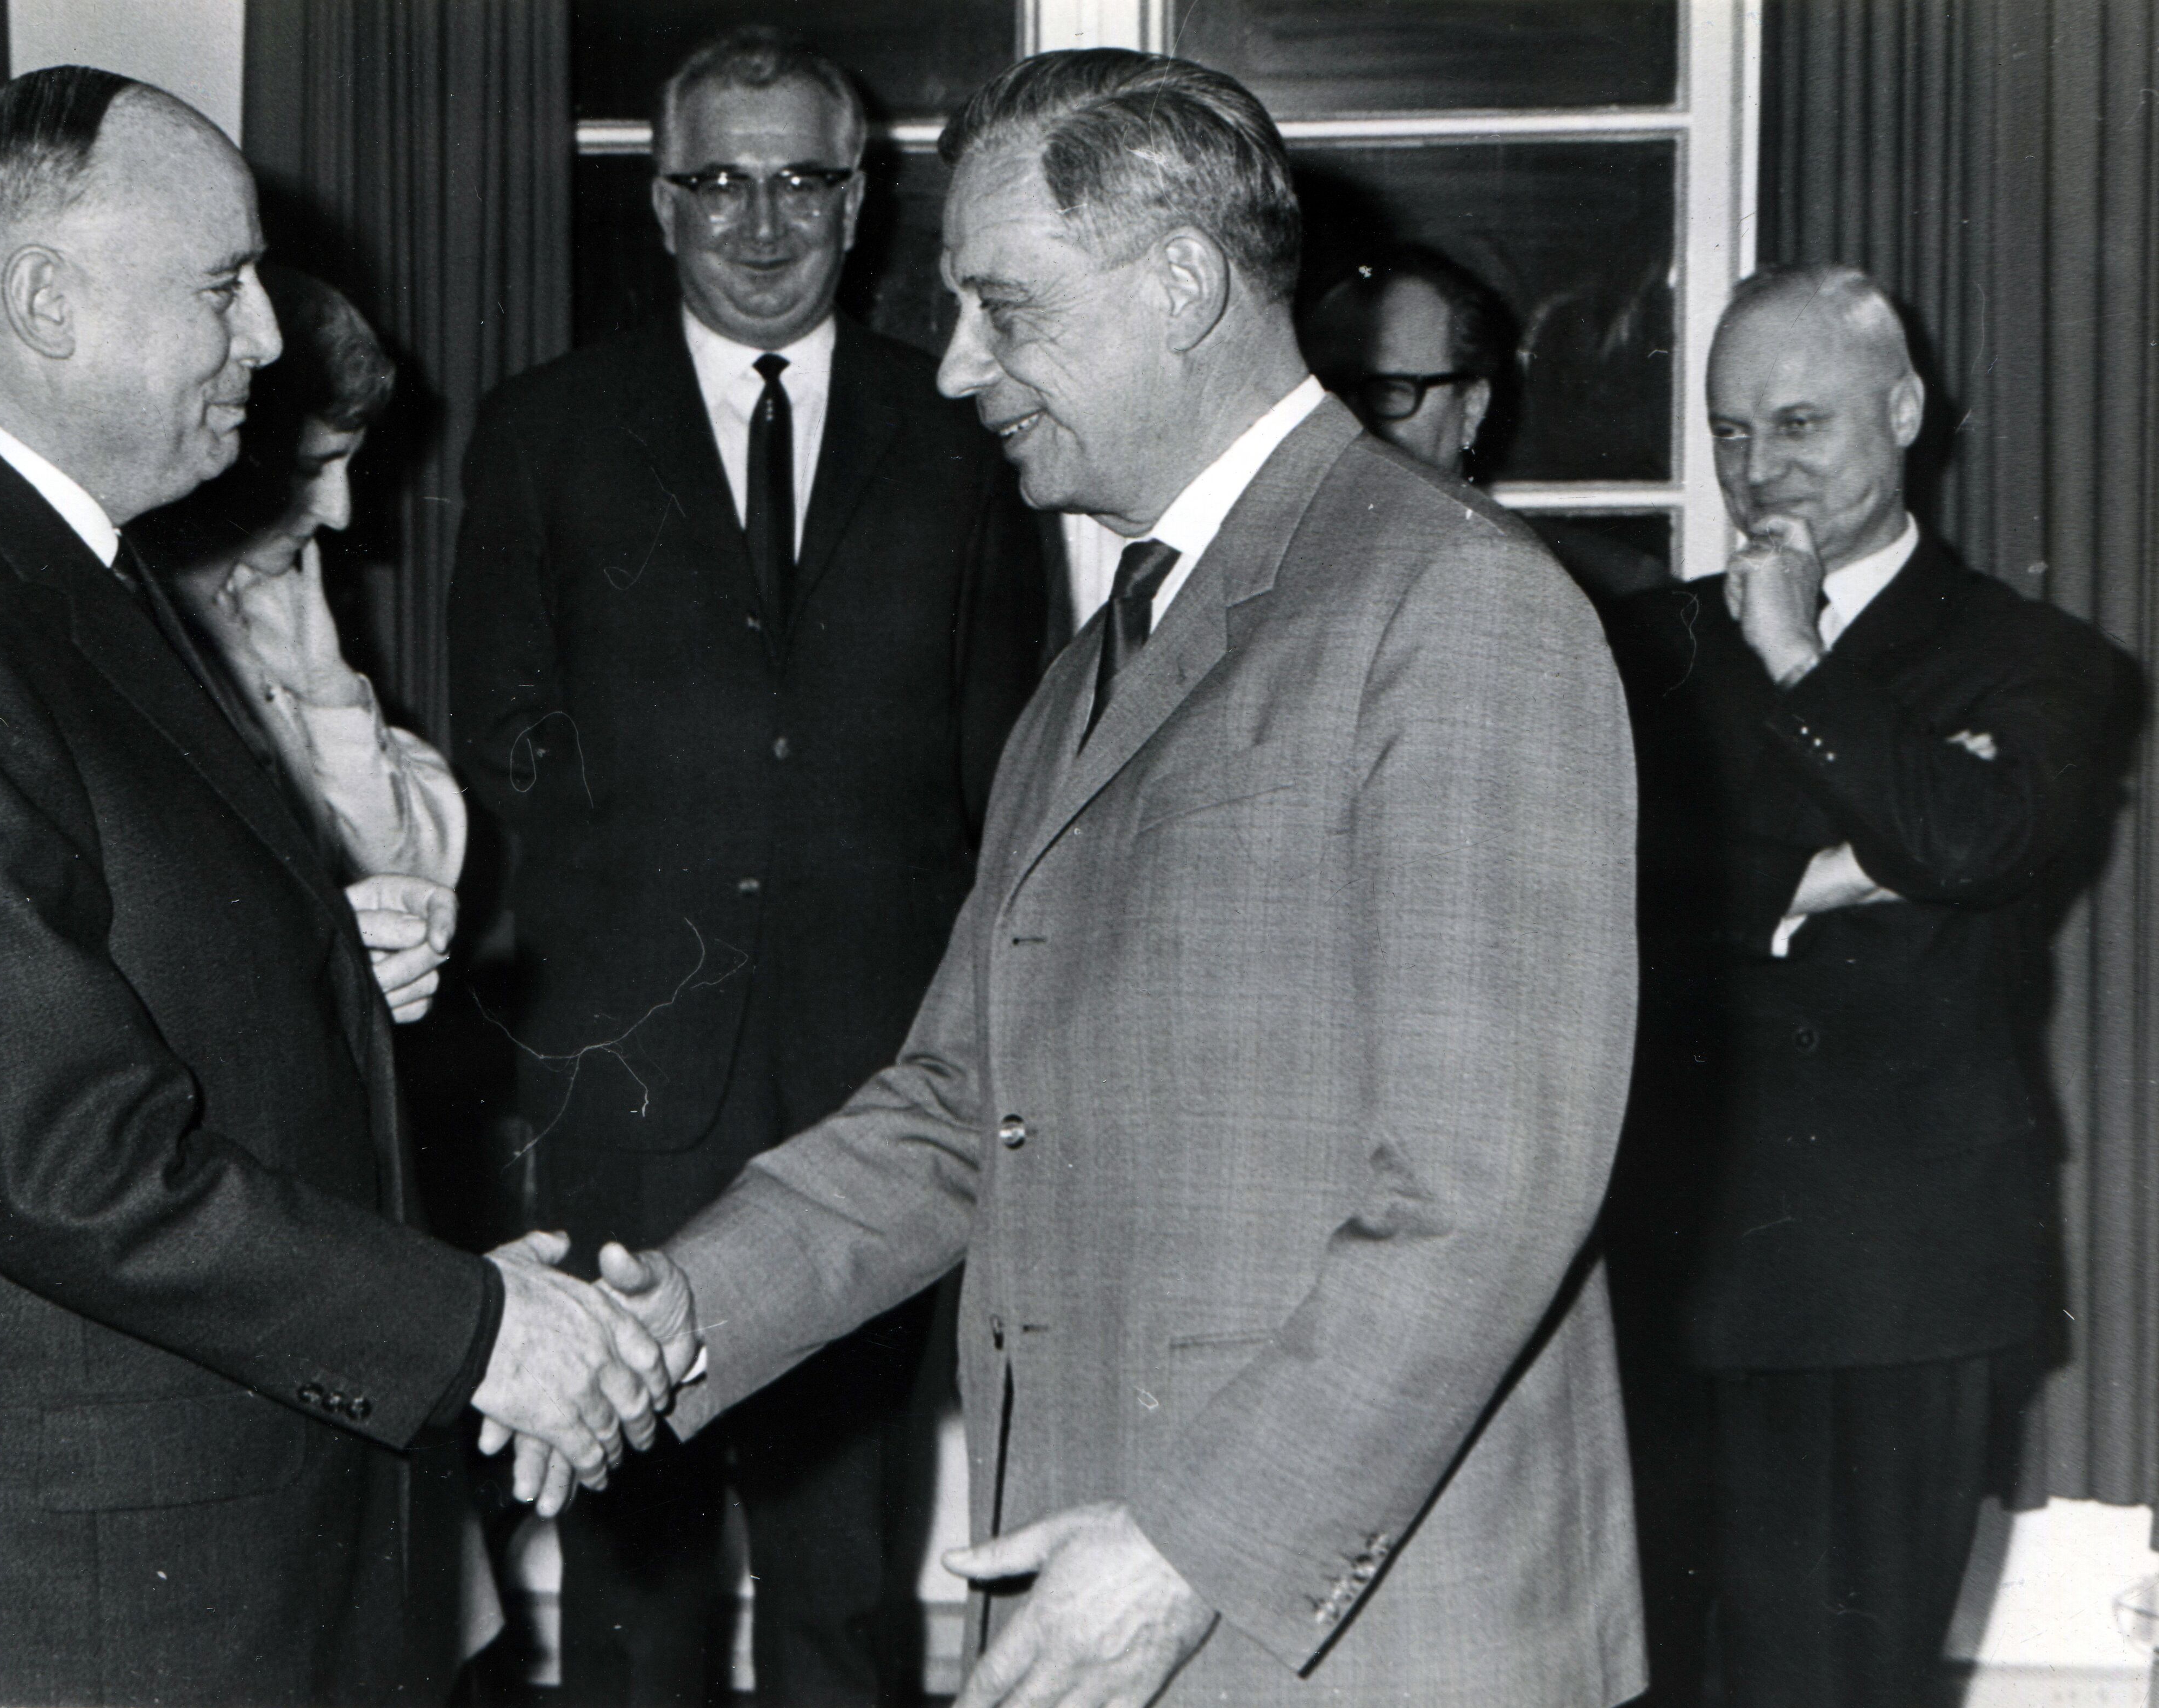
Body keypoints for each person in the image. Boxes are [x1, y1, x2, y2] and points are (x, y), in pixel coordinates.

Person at [590, 47, 1646, 1708]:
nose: (959, 369)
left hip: (1348, 1630)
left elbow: (1485, 1195)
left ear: (1182, 286)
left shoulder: (1453, 604)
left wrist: (1187, 1550)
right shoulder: (1099, 663)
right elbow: (961, 1106)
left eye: (1004, 310)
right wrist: (676, 1315)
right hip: (1117, 1579)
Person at [0, 66, 678, 1706]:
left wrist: (305, 949)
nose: (270, 340)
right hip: (92, 1599)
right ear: (48, 303)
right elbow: (68, 1164)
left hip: (212, 1538)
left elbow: (68, 939)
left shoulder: (45, 552)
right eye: (223, 287)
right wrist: (479, 1331)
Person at [446, 26, 1045, 1706]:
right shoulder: (548, 432)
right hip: (627, 1092)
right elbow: (504, 754)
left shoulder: (962, 432)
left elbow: (1009, 778)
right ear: (661, 203)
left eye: (802, 181)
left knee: (847, 1583)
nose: (762, 222)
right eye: (720, 180)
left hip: (873, 1099)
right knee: (632, 1588)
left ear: (860, 203)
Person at [1603, 265, 2135, 1707]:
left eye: (1799, 424)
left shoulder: (2040, 659)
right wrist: (1822, 872)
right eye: (1729, 432)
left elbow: (1970, 841)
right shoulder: (1648, 649)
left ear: (1902, 411)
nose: (1756, 470)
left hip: (1893, 1276)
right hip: (1664, 1252)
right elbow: (1606, 888)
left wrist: (1794, 652)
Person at [136, 265, 465, 1023]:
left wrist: (330, 692)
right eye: (314, 467)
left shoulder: (278, 600)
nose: (341, 513)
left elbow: (412, 881)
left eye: (349, 465)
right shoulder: (132, 616)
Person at [1301, 244, 1669, 604]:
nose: (1349, 422)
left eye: (1390, 392)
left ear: (1472, 409)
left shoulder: (1583, 588)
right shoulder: (1287, 574)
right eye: (1329, 390)